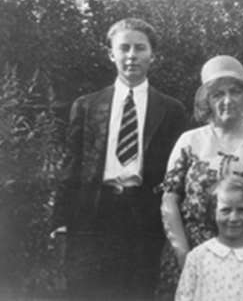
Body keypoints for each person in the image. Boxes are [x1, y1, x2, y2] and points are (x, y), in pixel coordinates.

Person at [51, 18, 187, 300]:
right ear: (111, 53)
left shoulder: (171, 110)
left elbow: (176, 175)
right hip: (92, 215)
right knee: (87, 291)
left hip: (142, 217)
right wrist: (60, 220)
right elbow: (71, 166)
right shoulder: (87, 106)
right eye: (124, 48)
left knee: (137, 291)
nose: (131, 55)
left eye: (140, 48)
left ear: (153, 55)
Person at [158, 55, 243, 298]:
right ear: (207, 101)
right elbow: (169, 200)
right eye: (217, 94)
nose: (227, 100)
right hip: (188, 258)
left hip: (242, 262)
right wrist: (185, 255)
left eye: (235, 92)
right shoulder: (189, 142)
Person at [175, 176, 243, 301]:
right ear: (213, 213)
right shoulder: (198, 257)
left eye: (242, 210)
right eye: (225, 210)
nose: (233, 218)